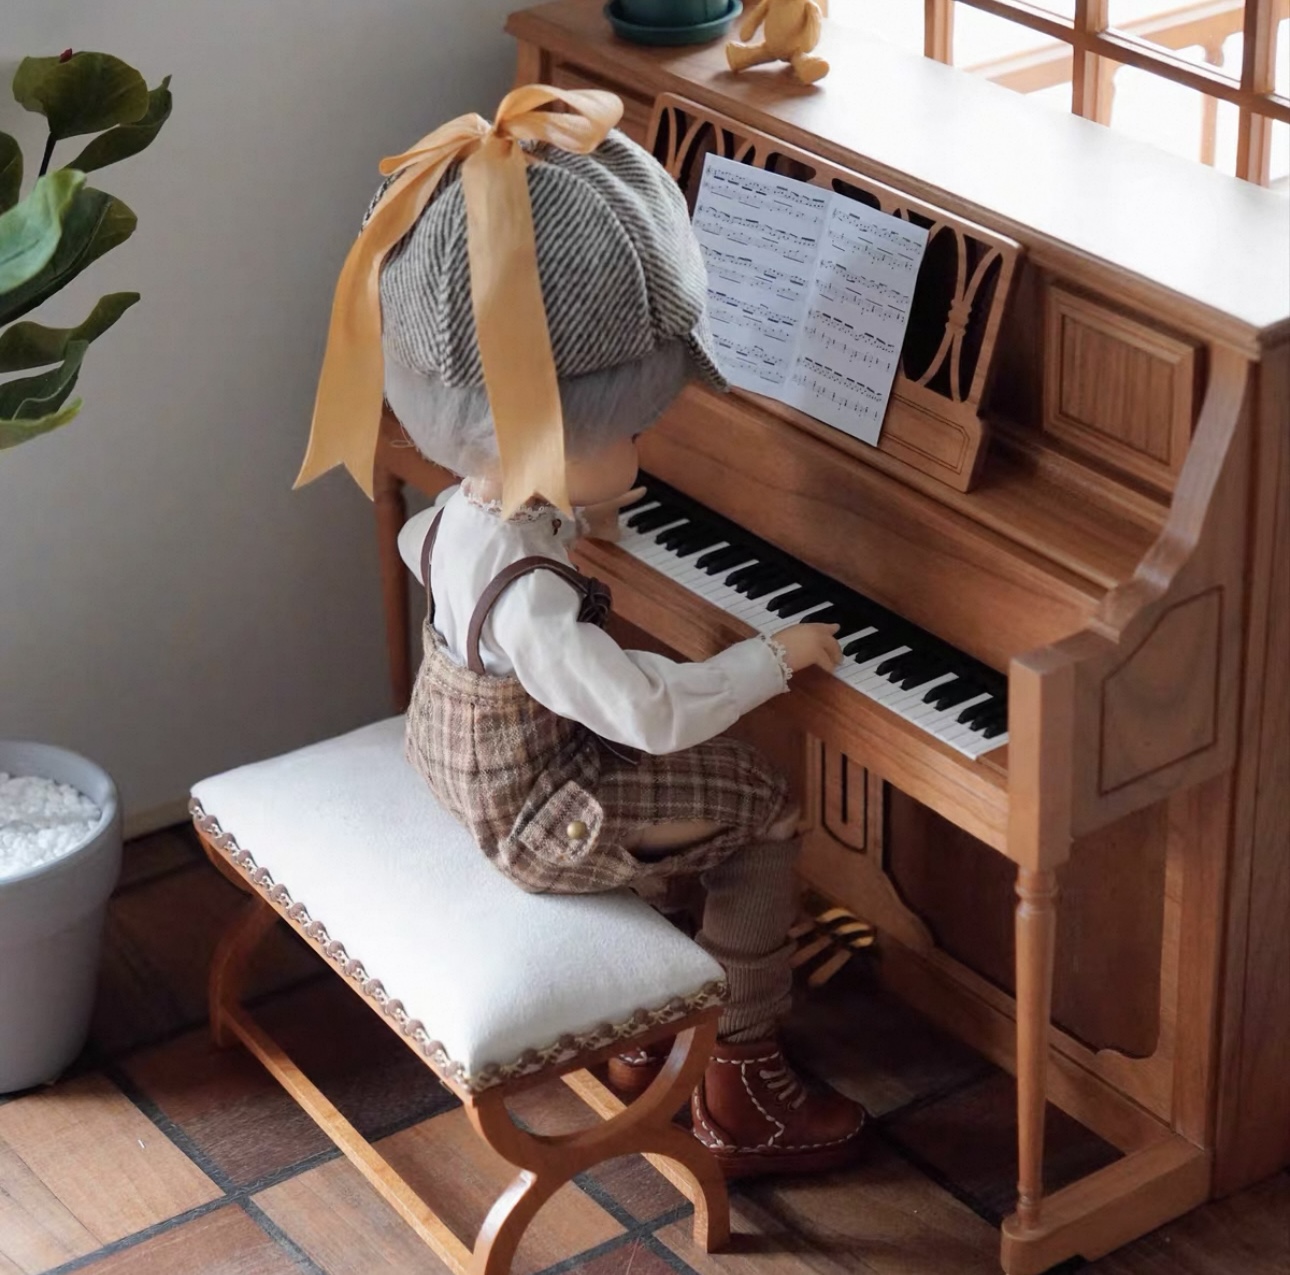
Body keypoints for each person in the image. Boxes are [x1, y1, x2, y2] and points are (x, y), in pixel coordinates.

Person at [297, 85, 866, 1178]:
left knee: (673, 788)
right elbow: (643, 712)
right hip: (534, 820)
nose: (646, 446)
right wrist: (768, 658)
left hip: (465, 766)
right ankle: (739, 1068)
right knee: (759, 802)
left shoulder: (458, 514)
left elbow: (430, 560)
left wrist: (568, 516)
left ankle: (645, 1029)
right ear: (548, 433)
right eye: (634, 428)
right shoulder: (531, 594)